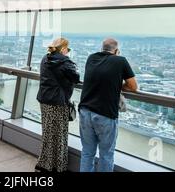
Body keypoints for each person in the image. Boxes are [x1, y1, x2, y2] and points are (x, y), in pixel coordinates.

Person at [79, 38, 138, 172]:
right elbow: (133, 86)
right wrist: (117, 85)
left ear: (102, 48)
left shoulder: (91, 58)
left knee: (87, 152)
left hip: (85, 111)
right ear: (116, 50)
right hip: (105, 114)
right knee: (106, 155)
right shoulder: (120, 60)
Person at [35, 38, 80, 172]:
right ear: (64, 49)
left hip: (44, 99)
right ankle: (58, 167)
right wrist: (69, 59)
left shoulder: (45, 58)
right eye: (68, 49)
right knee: (60, 135)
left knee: (48, 132)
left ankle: (44, 164)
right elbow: (76, 78)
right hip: (58, 102)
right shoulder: (65, 61)